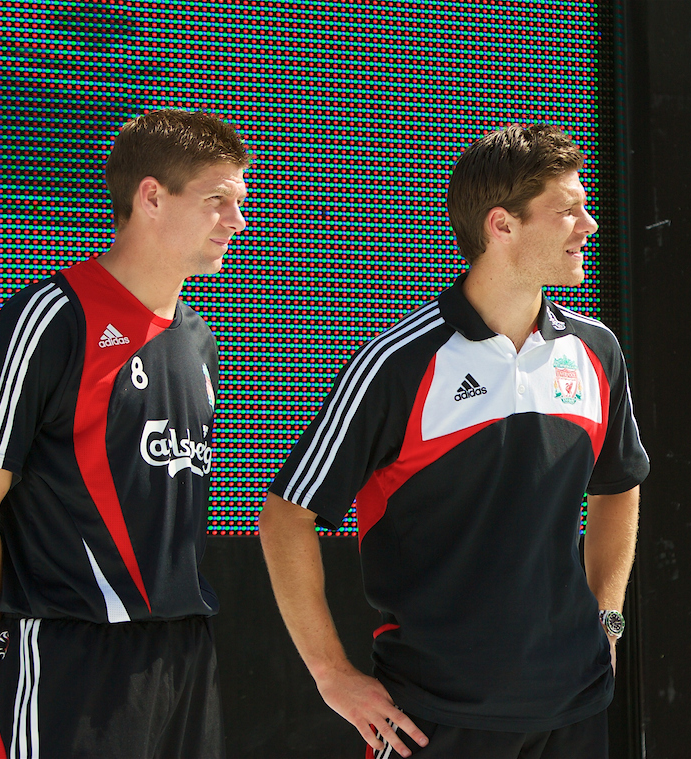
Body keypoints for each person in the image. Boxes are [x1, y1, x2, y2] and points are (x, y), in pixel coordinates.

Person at [259, 124, 649, 758]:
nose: (589, 225)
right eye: (567, 210)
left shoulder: (596, 351)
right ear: (502, 226)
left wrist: (607, 619)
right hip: (429, 717)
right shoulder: (397, 362)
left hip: (574, 707)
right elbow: (286, 519)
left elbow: (619, 486)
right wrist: (333, 678)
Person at [0, 109, 249, 758]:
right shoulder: (50, 318)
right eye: (217, 201)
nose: (236, 223)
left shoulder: (198, 339)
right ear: (152, 196)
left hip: (184, 658)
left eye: (239, 204)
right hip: (70, 653)